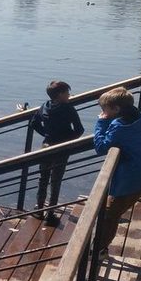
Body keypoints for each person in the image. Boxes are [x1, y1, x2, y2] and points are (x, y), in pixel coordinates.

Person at [92, 87, 141, 255]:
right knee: (109, 212)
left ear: (116, 109)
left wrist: (101, 123)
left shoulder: (119, 128)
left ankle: (98, 250)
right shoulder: (136, 119)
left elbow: (101, 147)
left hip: (133, 179)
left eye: (105, 110)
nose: (103, 112)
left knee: (109, 214)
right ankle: (100, 246)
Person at [30, 80, 84, 226]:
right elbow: (79, 130)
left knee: (43, 177)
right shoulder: (68, 109)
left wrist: (46, 134)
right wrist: (68, 140)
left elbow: (34, 123)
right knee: (56, 180)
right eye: (67, 93)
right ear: (60, 94)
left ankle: (39, 208)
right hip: (61, 149)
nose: (69, 95)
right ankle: (51, 212)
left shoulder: (44, 106)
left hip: (46, 147)